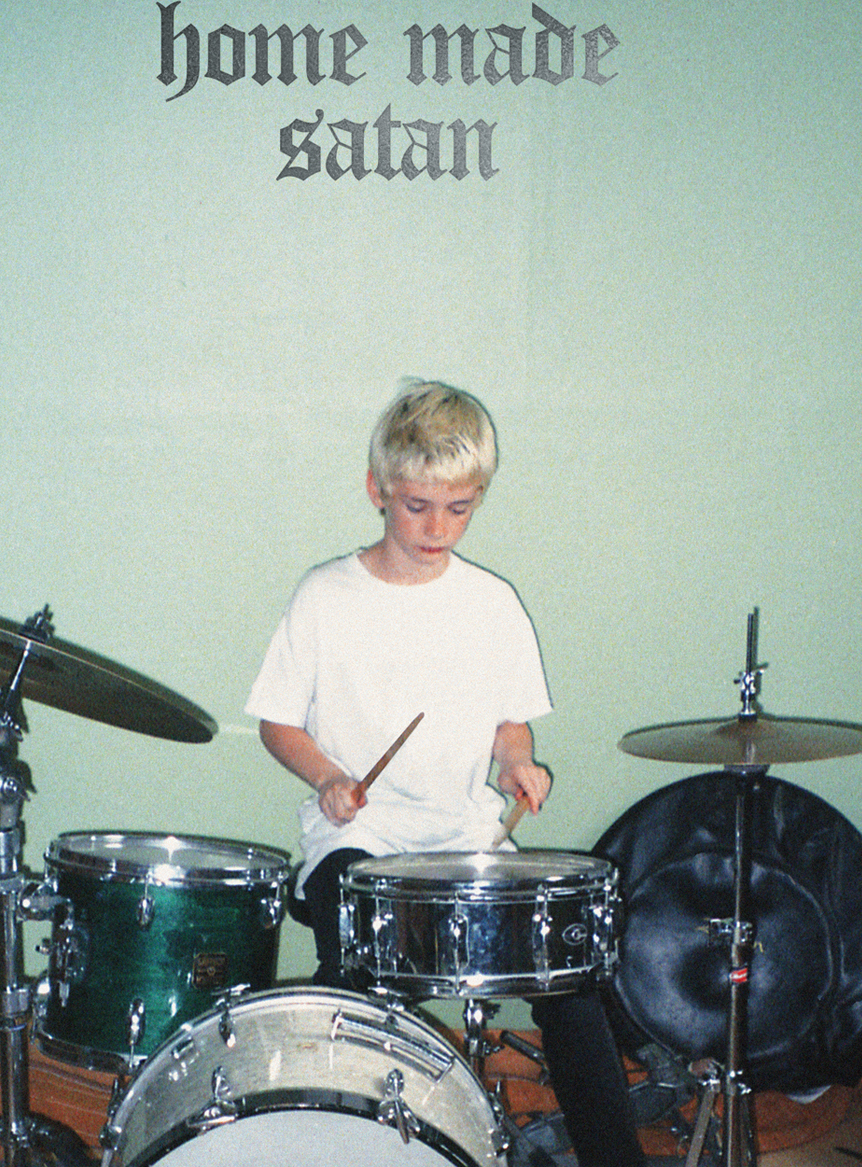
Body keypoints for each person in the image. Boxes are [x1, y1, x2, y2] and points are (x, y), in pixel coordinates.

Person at [245, 379, 652, 1167]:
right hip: (358, 840)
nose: (438, 528)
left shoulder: (491, 603)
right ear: (377, 490)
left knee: (570, 986)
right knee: (355, 984)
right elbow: (277, 723)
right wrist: (328, 778)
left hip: (467, 839)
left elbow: (509, 722)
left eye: (458, 509)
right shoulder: (326, 595)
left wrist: (518, 762)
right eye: (418, 507)